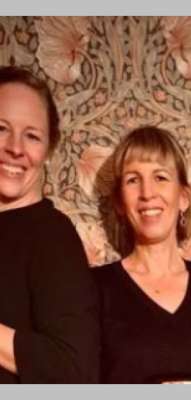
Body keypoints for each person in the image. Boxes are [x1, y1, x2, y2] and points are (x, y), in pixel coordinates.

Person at [92, 126, 191, 383]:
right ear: (120, 202)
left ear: (183, 197)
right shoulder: (95, 288)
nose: (147, 193)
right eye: (133, 180)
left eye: (160, 177)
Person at [0, 65, 99, 383]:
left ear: (48, 150)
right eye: (1, 128)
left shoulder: (53, 236)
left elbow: (74, 370)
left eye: (32, 136)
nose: (15, 148)